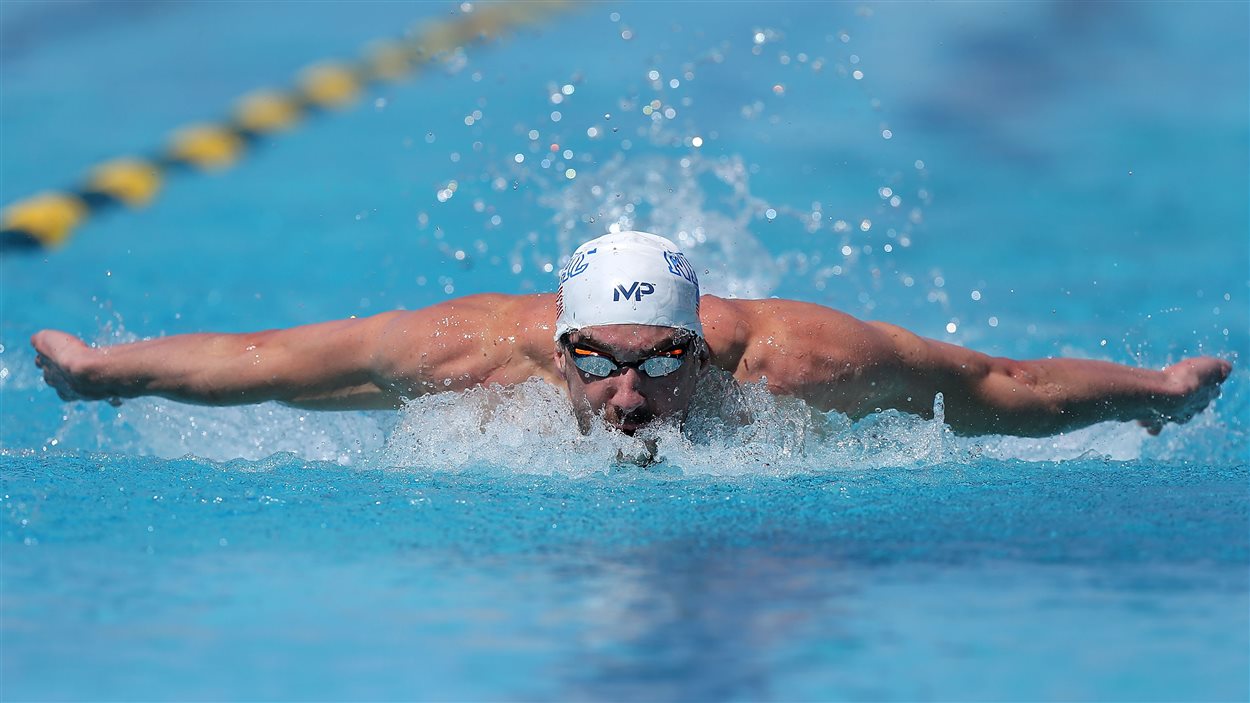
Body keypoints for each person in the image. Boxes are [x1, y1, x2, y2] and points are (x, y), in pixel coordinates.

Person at [32, 230, 1230, 438]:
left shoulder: (797, 362)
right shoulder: (481, 347)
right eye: (596, 365)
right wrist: (103, 376)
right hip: (477, 374)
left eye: (663, 364)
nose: (626, 401)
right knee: (343, 390)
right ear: (558, 345)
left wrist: (1153, 391)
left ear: (701, 349)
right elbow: (266, 361)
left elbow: (1002, 382)